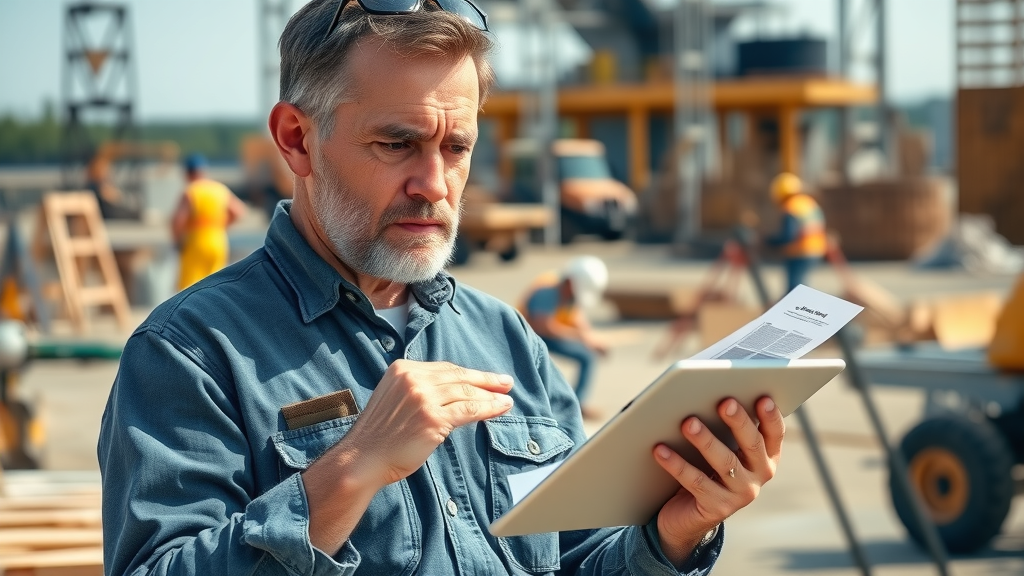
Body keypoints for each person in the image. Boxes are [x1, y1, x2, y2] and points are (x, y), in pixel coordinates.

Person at [98, 1, 786, 574]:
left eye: (455, 148)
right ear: (298, 141)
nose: (433, 185)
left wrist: (671, 533)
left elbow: (578, 558)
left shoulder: (505, 338)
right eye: (396, 144)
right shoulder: (188, 355)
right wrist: (350, 470)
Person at [521, 255, 609, 420]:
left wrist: (591, 339)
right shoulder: (548, 289)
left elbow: (577, 317)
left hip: (548, 335)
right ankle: (541, 408)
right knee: (542, 367)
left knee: (587, 357)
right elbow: (544, 327)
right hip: (530, 337)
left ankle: (578, 403)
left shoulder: (569, 290)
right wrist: (579, 336)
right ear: (571, 281)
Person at [170, 153, 247, 290]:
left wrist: (177, 241)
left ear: (187, 173)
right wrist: (222, 225)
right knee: (214, 286)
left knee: (189, 287)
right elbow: (239, 212)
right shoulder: (219, 189)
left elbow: (178, 221)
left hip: (196, 242)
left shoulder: (191, 190)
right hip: (218, 240)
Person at [764, 172, 827, 294]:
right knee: (801, 286)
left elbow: (788, 235)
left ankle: (797, 311)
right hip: (816, 250)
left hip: (799, 252)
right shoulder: (808, 202)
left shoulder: (790, 207)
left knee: (795, 290)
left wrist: (769, 241)